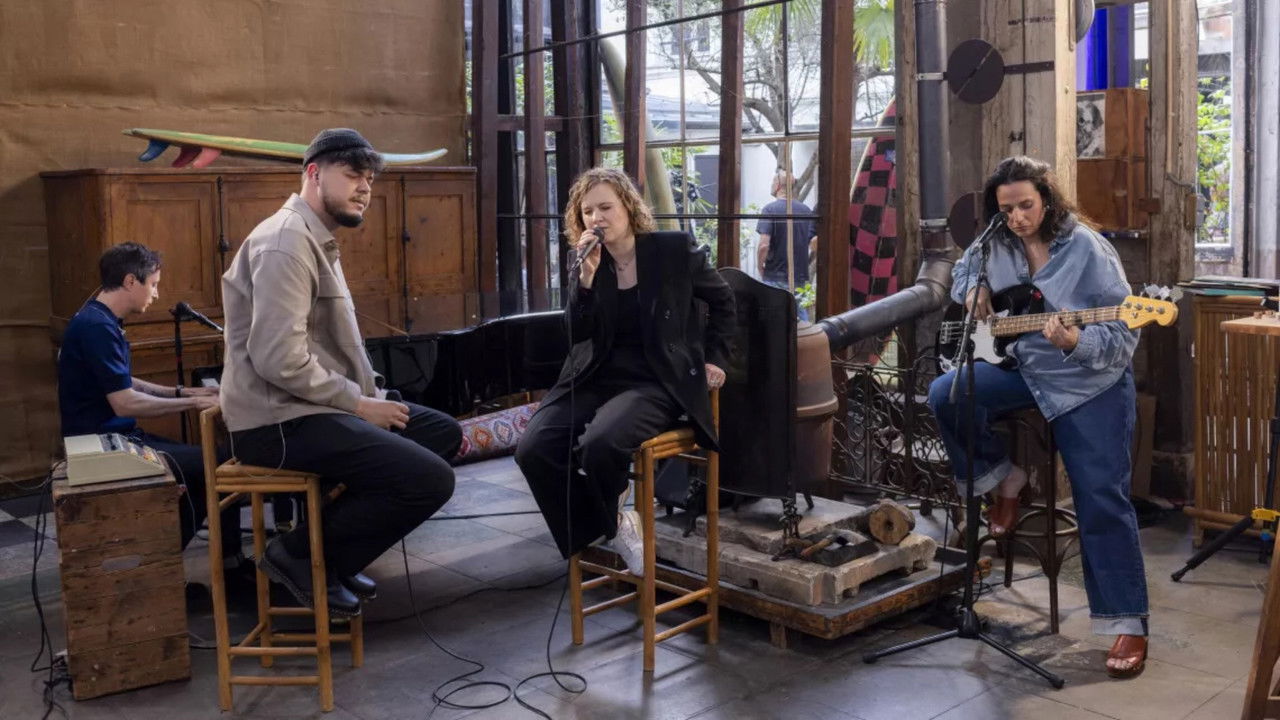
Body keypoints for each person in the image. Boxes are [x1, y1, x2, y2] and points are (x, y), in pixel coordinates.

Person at [219, 128, 461, 617]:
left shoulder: (315, 238)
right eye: (353, 175)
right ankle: (300, 555)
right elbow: (277, 359)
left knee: (439, 432)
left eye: (369, 179)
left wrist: (372, 396)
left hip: (308, 409)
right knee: (430, 480)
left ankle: (333, 556)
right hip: (278, 423)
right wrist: (359, 404)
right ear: (314, 173)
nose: (365, 188)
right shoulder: (286, 242)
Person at [927, 156, 1148, 678]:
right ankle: (1005, 477)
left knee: (1102, 500)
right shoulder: (992, 241)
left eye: (1026, 205)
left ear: (1047, 199)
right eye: (1007, 209)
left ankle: (1128, 626)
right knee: (947, 393)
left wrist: (1076, 339)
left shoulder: (1089, 250)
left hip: (1087, 382)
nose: (1018, 217)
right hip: (1024, 368)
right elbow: (962, 273)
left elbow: (1123, 337)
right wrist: (972, 291)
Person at [514, 168, 736, 575]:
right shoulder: (584, 260)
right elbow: (575, 334)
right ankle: (609, 525)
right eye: (586, 212)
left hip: (656, 379)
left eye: (605, 207)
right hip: (596, 375)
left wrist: (716, 359)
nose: (596, 218)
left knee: (601, 443)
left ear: (628, 209)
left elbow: (723, 302)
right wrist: (583, 280)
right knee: (533, 448)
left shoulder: (672, 250)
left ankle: (607, 522)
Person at [56, 242, 245, 570]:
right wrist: (189, 406)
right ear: (131, 282)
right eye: (153, 284)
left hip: (114, 437)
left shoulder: (98, 317)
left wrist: (185, 393)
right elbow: (125, 403)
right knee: (219, 466)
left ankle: (179, 568)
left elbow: (125, 382)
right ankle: (162, 571)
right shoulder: (97, 327)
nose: (156, 294)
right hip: (104, 446)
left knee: (207, 472)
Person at [756, 171, 818, 320]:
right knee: (801, 323)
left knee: (774, 321)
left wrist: (760, 267)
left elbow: (764, 245)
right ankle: (802, 343)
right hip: (800, 277)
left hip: (775, 277)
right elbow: (813, 244)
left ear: (777, 185)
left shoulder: (769, 210)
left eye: (772, 182)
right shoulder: (806, 211)